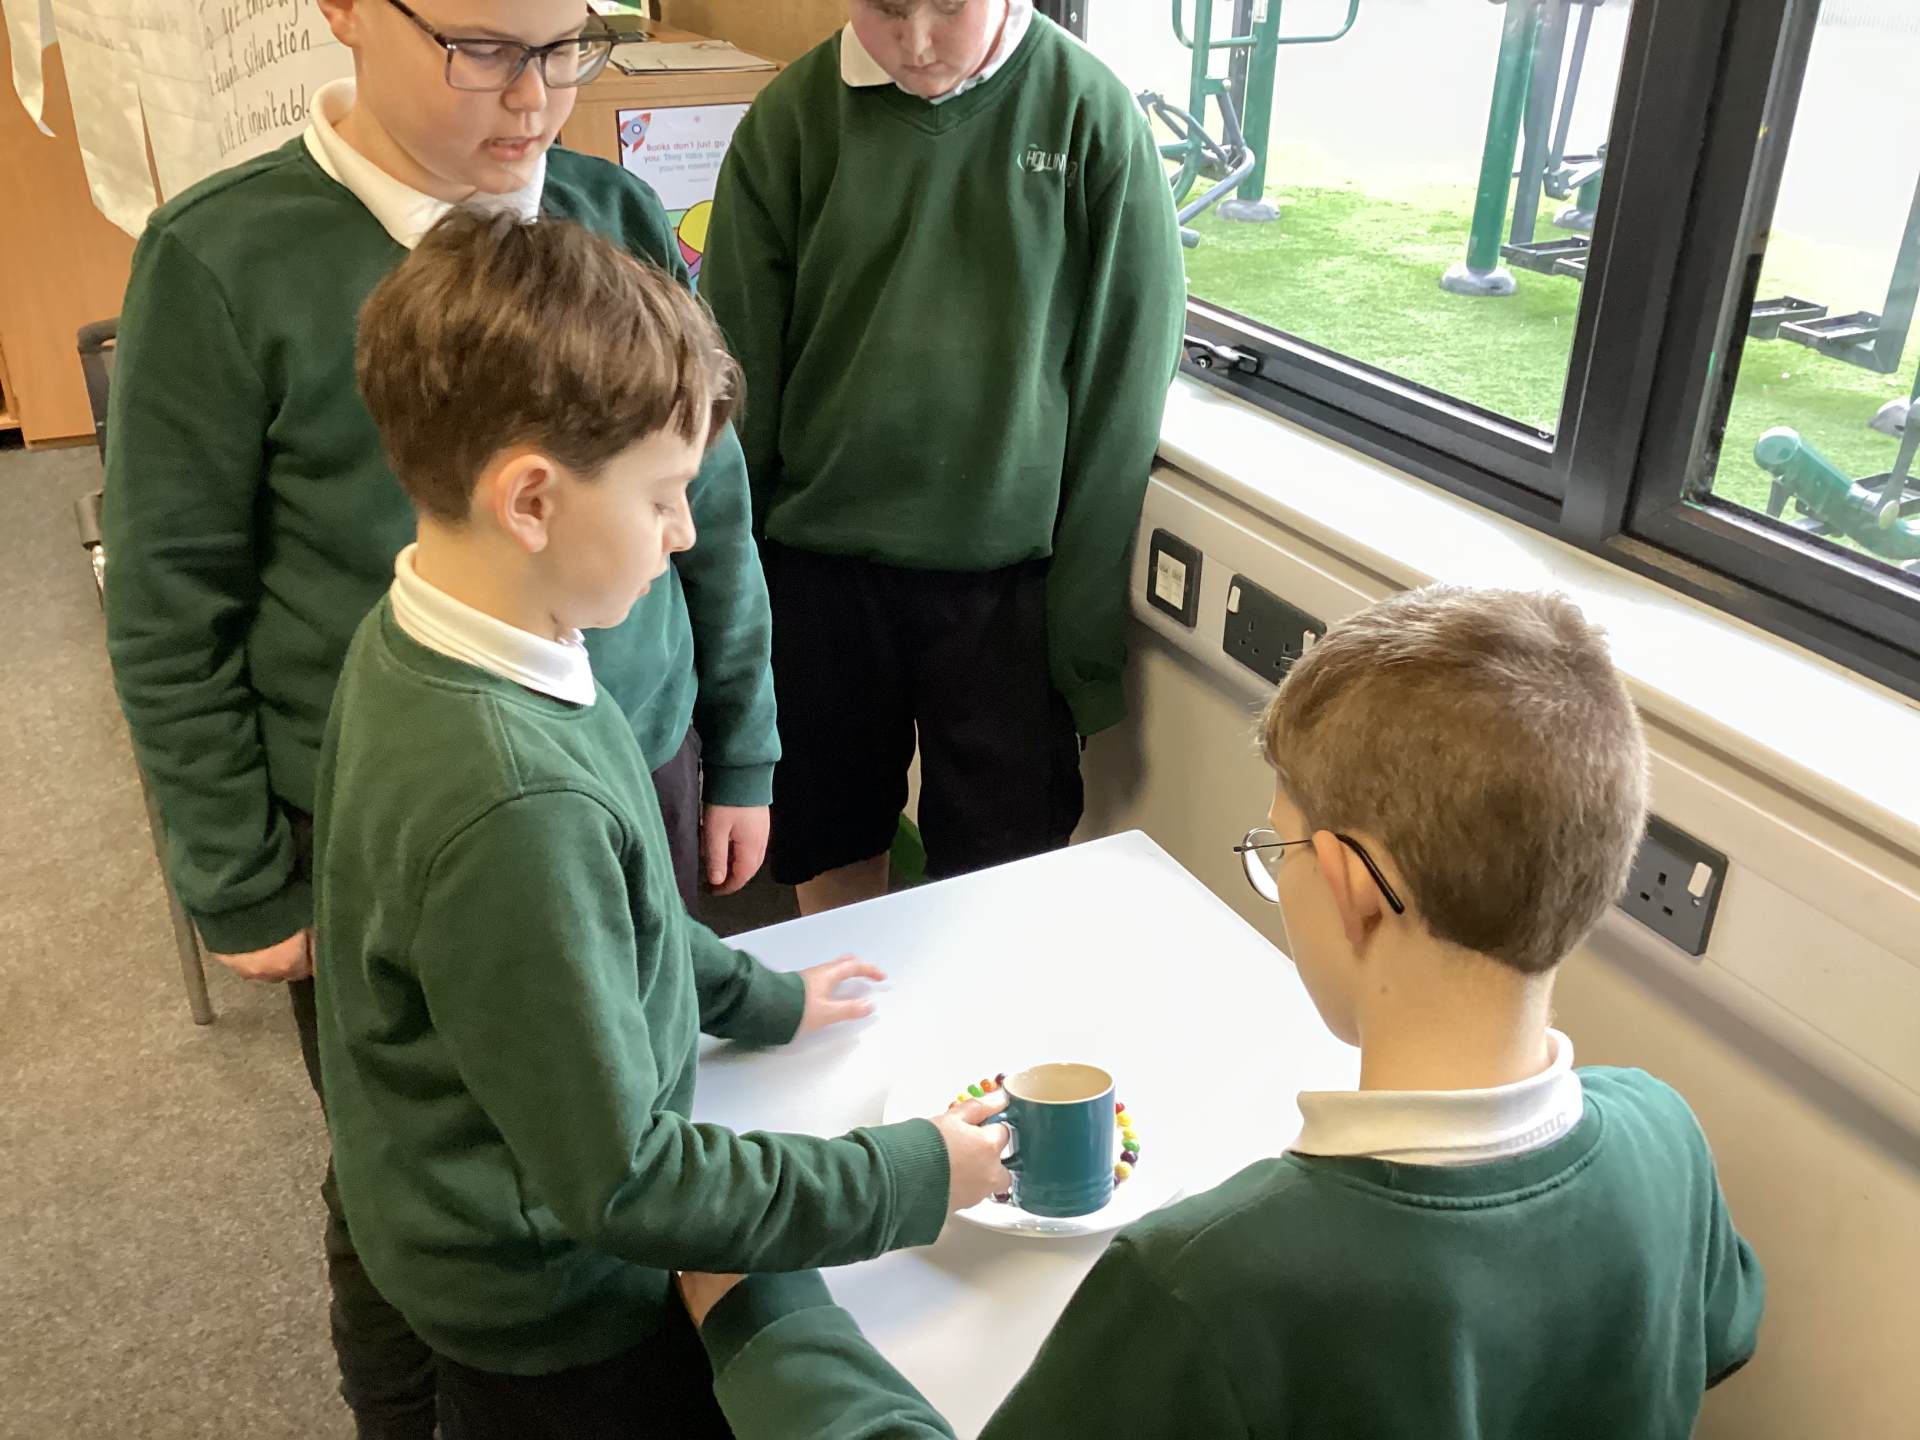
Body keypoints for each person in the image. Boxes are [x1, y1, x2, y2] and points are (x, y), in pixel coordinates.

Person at [101, 2, 776, 1431]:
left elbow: (706, 506)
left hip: (630, 764)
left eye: (568, 44)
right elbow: (170, 600)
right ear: (348, 13)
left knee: (621, 1099)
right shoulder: (222, 259)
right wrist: (234, 871)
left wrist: (742, 745)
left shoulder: (611, 214)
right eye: (483, 48)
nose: (534, 98)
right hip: (390, 814)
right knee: (417, 1170)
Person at [676, 586, 1767, 1438]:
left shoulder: (1207, 1278)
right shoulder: (1668, 1137)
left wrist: (766, 1318)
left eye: (1276, 847)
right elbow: (1722, 1329)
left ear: (1346, 886)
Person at [317, 209, 1012, 1440]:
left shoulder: (447, 637)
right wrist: (913, 1173)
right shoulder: (514, 803)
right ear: (532, 501)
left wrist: (754, 996)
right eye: (663, 497)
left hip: (454, 1204)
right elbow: (626, 1180)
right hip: (556, 1307)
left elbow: (624, 915)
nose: (686, 532)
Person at [701, 0, 1186, 914]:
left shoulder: (1090, 114)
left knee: (1003, 868)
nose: (917, 42)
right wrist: (731, 611)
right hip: (820, 570)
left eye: (949, 7)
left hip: (1010, 583)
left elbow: (1123, 390)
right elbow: (735, 384)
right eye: (885, 9)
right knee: (831, 840)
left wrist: (1081, 633)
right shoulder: (790, 121)